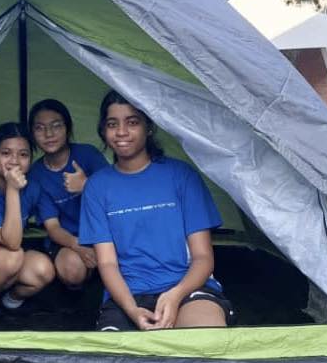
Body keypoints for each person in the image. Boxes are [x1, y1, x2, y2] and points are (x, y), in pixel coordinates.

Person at [79, 90, 234, 331]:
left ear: (148, 127)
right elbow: (107, 263)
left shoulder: (181, 176)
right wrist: (131, 309)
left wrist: (174, 296)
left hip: (187, 289)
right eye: (112, 124)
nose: (121, 132)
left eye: (132, 122)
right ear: (103, 130)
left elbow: (203, 258)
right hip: (128, 297)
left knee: (206, 340)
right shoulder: (97, 187)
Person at [0, 122, 55, 310]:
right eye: (6, 153)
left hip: (5, 262)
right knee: (11, 257)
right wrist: (12, 190)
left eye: (23, 155)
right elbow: (12, 242)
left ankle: (5, 303)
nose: (14, 161)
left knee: (43, 269)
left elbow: (52, 220)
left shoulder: (32, 187)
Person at [28, 98, 108, 289]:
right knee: (72, 270)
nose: (49, 134)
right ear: (32, 135)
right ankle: (83, 292)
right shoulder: (36, 174)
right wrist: (78, 246)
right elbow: (53, 227)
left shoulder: (88, 155)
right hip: (69, 239)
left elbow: (117, 195)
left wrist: (87, 186)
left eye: (56, 126)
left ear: (68, 129)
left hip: (105, 231)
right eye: (40, 128)